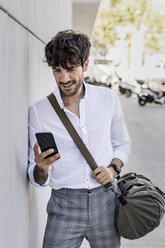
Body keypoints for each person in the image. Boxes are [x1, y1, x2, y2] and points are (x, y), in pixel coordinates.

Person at [28, 30, 131, 248]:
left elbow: (122, 144)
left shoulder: (107, 99)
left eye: (70, 69)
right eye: (57, 70)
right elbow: (36, 176)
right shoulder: (39, 111)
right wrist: (42, 169)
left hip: (105, 202)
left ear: (84, 65)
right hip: (63, 206)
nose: (64, 78)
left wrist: (113, 169)